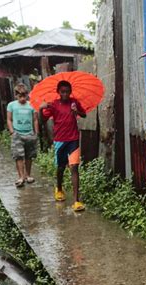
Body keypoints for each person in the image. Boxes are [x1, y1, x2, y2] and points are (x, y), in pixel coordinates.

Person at [39, 80, 87, 212]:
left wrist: (77, 111)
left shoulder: (74, 102)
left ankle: (77, 200)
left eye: (67, 91)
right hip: (60, 140)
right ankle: (59, 188)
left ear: (70, 92)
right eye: (62, 92)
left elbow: (84, 114)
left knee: (74, 168)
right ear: (58, 92)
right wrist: (41, 108)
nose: (65, 94)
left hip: (74, 139)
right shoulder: (53, 105)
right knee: (60, 168)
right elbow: (42, 121)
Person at [7, 83, 39, 188]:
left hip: (29, 133)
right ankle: (20, 176)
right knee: (18, 156)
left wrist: (36, 132)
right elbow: (9, 119)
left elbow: (35, 119)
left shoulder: (32, 105)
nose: (22, 98)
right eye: (20, 96)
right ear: (16, 95)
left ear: (27, 95)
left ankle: (28, 175)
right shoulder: (11, 105)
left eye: (24, 96)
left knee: (29, 155)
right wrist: (12, 131)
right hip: (17, 134)